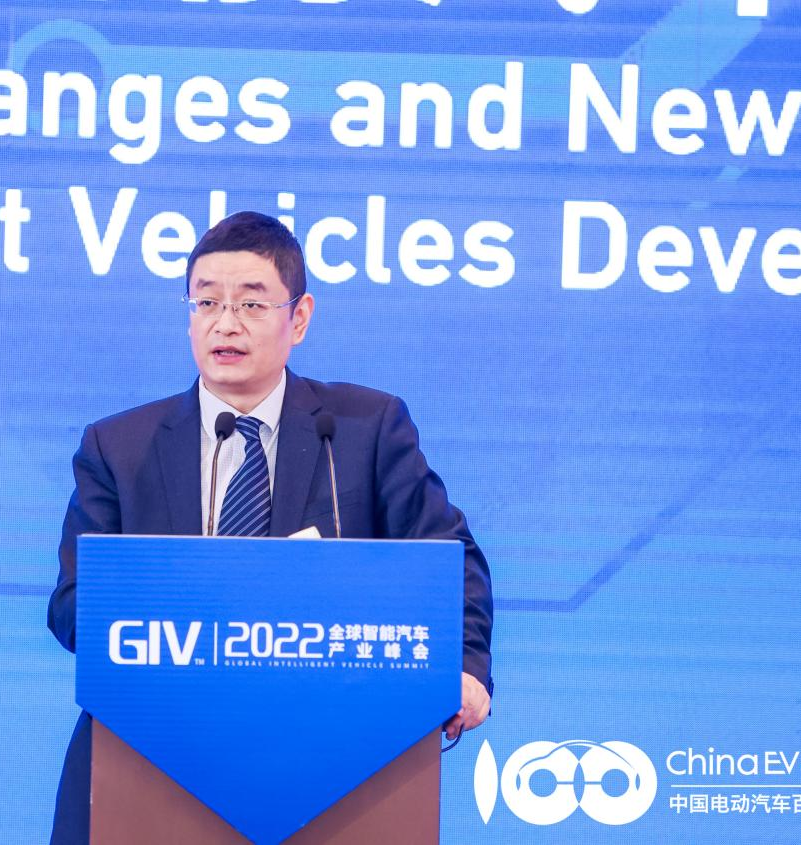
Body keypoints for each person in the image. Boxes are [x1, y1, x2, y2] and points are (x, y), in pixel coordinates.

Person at [47, 211, 493, 844]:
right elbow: (72, 609)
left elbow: (449, 557)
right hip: (148, 759)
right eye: (206, 302)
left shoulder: (363, 430)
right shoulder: (119, 447)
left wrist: (465, 666)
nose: (225, 323)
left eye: (252, 304)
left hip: (330, 762)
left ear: (299, 318)